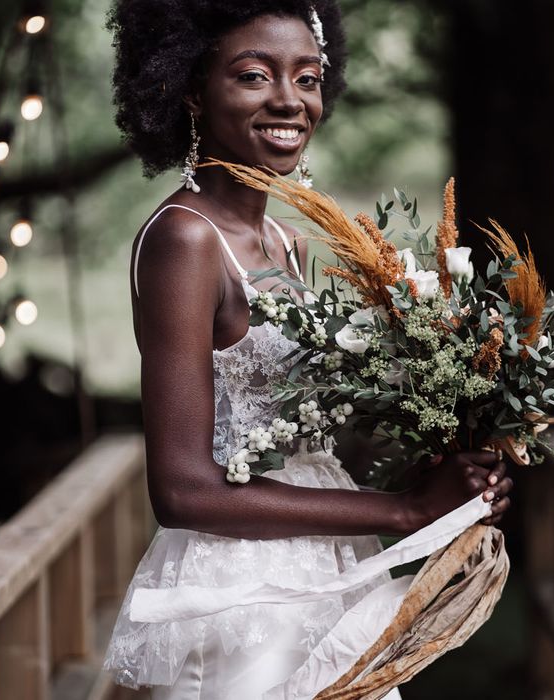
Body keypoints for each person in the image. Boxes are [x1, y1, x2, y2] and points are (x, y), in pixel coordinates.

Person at [102, 2, 514, 698]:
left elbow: (297, 437)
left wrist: (452, 466)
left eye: (308, 76)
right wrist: (405, 511)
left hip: (324, 563)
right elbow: (181, 489)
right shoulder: (186, 239)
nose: (289, 99)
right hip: (247, 591)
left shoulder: (286, 245)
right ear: (191, 89)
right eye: (255, 76)